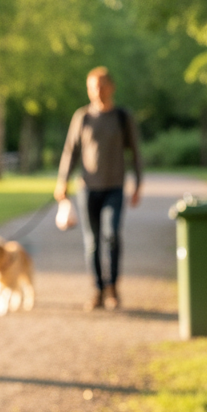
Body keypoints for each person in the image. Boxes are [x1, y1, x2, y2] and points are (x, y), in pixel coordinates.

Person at [54, 66, 143, 310]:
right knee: (92, 241)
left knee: (111, 236)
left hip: (114, 187)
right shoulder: (82, 117)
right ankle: (98, 289)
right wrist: (62, 181)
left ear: (111, 87)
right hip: (87, 188)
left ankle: (113, 287)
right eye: (93, 87)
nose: (98, 91)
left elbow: (135, 151)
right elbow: (70, 151)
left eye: (102, 85)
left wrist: (138, 183)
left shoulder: (123, 117)